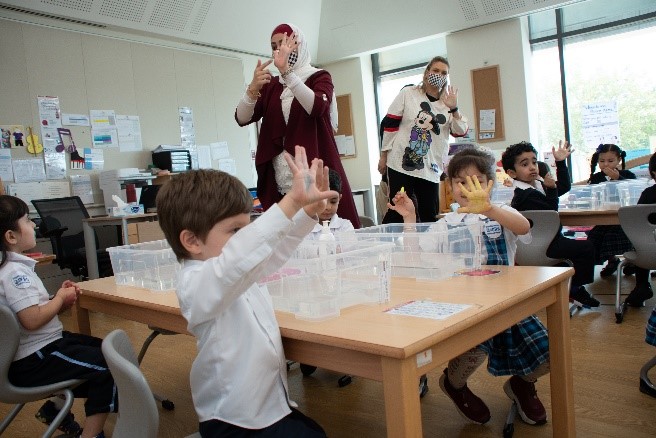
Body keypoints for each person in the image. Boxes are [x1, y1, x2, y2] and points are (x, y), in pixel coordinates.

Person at [156, 146, 330, 437]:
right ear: (192, 241)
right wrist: (289, 204)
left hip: (266, 406)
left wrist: (306, 214)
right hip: (231, 420)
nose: (245, 237)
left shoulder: (236, 271)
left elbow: (269, 252)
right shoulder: (196, 282)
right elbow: (239, 257)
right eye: (235, 231)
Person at [388, 148, 552, 426]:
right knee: (470, 354)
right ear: (450, 186)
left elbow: (523, 228)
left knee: (549, 352)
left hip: (508, 305)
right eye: (460, 182)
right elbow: (413, 258)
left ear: (491, 184)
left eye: (477, 180)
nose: (468, 188)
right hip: (466, 310)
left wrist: (490, 209)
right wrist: (410, 219)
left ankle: (523, 384)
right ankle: (455, 386)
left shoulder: (502, 214)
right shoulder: (446, 224)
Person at [0, 195, 116, 438]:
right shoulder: (14, 274)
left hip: (34, 352)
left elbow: (30, 312)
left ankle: (54, 410)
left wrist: (57, 300)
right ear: (11, 236)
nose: (33, 225)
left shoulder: (9, 270)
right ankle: (92, 435)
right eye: (27, 221)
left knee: (107, 349)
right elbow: (31, 320)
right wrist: (60, 299)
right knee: (111, 365)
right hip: (34, 359)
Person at [235, 23, 360, 228]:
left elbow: (317, 107)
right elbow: (242, 118)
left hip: (314, 168)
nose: (279, 50)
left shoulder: (319, 77)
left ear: (298, 44)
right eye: (274, 46)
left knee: (324, 231)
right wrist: (252, 89)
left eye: (284, 43)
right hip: (281, 176)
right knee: (287, 237)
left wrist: (288, 73)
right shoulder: (273, 85)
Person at [501, 140, 600, 308]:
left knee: (576, 252)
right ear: (512, 172)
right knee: (587, 248)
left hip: (547, 241)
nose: (532, 167)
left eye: (534, 161)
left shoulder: (535, 185)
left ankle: (569, 285)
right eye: (525, 164)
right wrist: (552, 190)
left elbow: (564, 187)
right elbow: (551, 211)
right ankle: (575, 287)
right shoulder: (522, 194)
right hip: (540, 245)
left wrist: (560, 163)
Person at [378, 56, 468, 223]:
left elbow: (460, 131)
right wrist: (383, 156)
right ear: (427, 73)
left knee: (429, 213)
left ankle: (427, 247)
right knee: (398, 209)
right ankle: (393, 245)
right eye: (435, 71)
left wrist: (454, 108)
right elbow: (390, 124)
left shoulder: (447, 104)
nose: (438, 75)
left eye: (443, 73)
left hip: (430, 169)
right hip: (401, 164)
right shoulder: (408, 93)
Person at [586, 143, 636, 277]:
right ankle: (612, 261)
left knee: (613, 237)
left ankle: (632, 261)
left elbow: (633, 190)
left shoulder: (627, 175)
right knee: (594, 238)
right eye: (602, 161)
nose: (606, 164)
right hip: (604, 218)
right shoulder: (596, 177)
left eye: (610, 160)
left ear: (619, 160)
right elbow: (591, 195)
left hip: (624, 219)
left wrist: (617, 179)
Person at [624, 152, 656, 306]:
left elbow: (636, 220)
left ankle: (642, 285)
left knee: (641, 239)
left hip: (647, 254)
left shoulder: (648, 194)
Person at [306, 169, 354, 237]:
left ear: (339, 198)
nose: (328, 207)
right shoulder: (303, 229)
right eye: (322, 201)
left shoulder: (345, 226)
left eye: (333, 202)